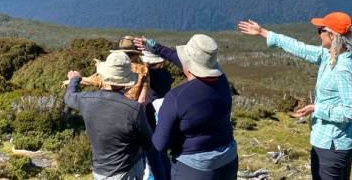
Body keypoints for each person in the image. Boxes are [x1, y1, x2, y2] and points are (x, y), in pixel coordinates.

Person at [238, 12, 352, 180]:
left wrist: (317, 108)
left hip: (332, 145)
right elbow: (300, 48)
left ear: (332, 35)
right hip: (332, 142)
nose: (318, 34)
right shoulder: (331, 55)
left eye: (320, 30)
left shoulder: (342, 68)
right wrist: (263, 32)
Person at [133, 34, 238, 180]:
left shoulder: (177, 98)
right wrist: (154, 46)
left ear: (188, 65)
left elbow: (159, 145)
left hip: (195, 170)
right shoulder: (222, 81)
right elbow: (179, 59)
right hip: (229, 160)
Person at [64, 52, 154, 180]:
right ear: (127, 81)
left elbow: (69, 97)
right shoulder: (134, 109)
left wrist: (74, 79)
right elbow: (148, 144)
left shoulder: (86, 100)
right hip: (128, 171)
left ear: (105, 75)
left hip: (100, 172)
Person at [140, 50, 172, 180]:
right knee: (162, 152)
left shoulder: (147, 75)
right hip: (163, 114)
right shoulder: (166, 74)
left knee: (152, 154)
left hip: (151, 114)